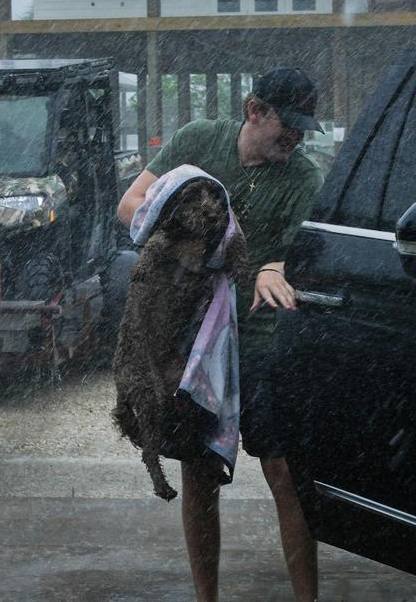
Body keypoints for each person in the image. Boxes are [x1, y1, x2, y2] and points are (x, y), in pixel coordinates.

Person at [117, 67, 326, 602]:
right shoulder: (197, 142)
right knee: (199, 473)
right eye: (289, 125)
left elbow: (288, 257)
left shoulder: (303, 180)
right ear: (255, 110)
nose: (296, 138)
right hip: (193, 347)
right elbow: (131, 205)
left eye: (305, 128)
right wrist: (193, 238)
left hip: (260, 346)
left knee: (283, 473)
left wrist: (273, 269)